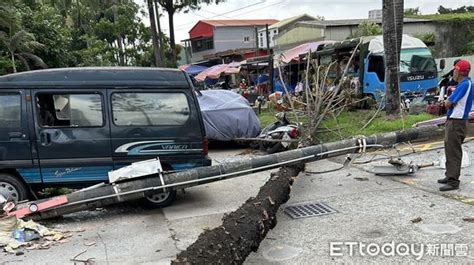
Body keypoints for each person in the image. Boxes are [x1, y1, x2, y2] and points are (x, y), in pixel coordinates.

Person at [438, 59, 472, 191]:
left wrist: (447, 101)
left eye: (455, 71)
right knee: (449, 149)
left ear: (460, 72)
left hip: (456, 121)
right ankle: (449, 175)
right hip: (455, 120)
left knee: (453, 151)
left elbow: (449, 102)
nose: (454, 73)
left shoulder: (464, 84)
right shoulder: (465, 84)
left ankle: (453, 180)